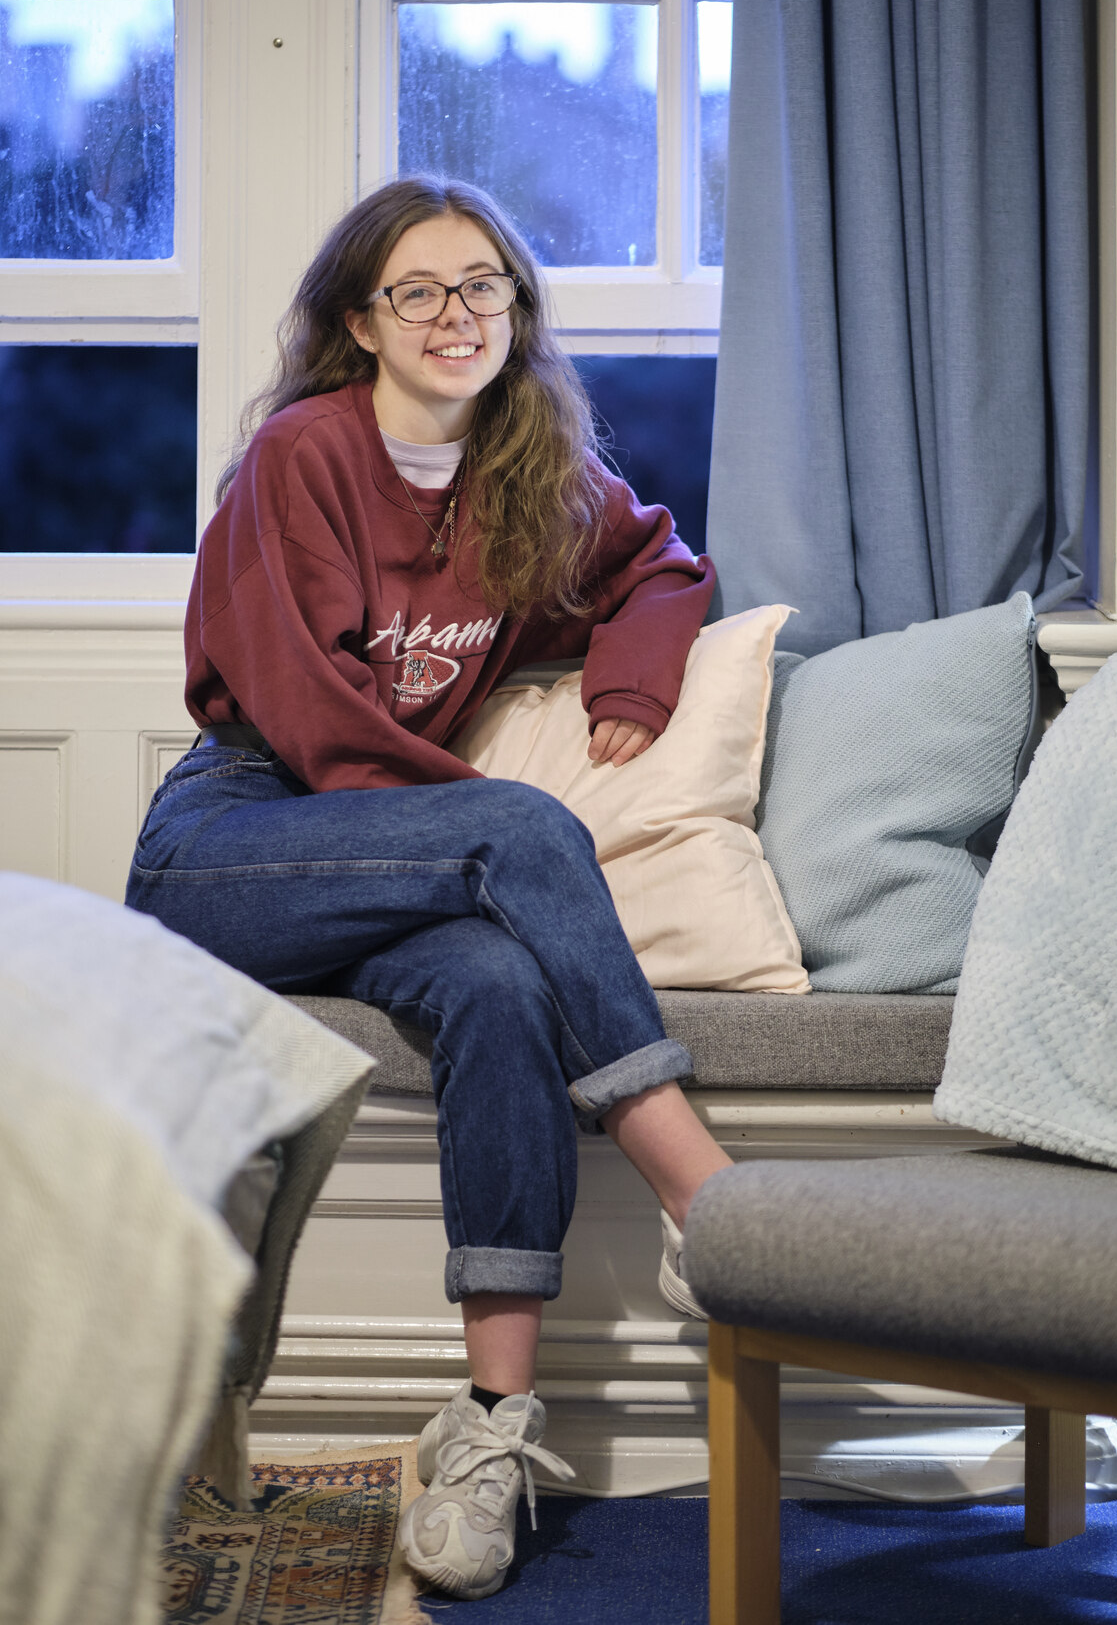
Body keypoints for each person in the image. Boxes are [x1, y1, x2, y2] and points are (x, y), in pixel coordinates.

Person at [125, 175, 733, 1601]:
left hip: (388, 839)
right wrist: (478, 829)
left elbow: (662, 562)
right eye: (417, 291)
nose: (455, 315)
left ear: (516, 312)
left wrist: (634, 684)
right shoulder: (303, 455)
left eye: (484, 288)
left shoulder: (530, 469)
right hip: (230, 842)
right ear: (360, 321)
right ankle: (709, 1204)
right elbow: (305, 716)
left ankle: (490, 1428)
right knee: (516, 835)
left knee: (500, 983)